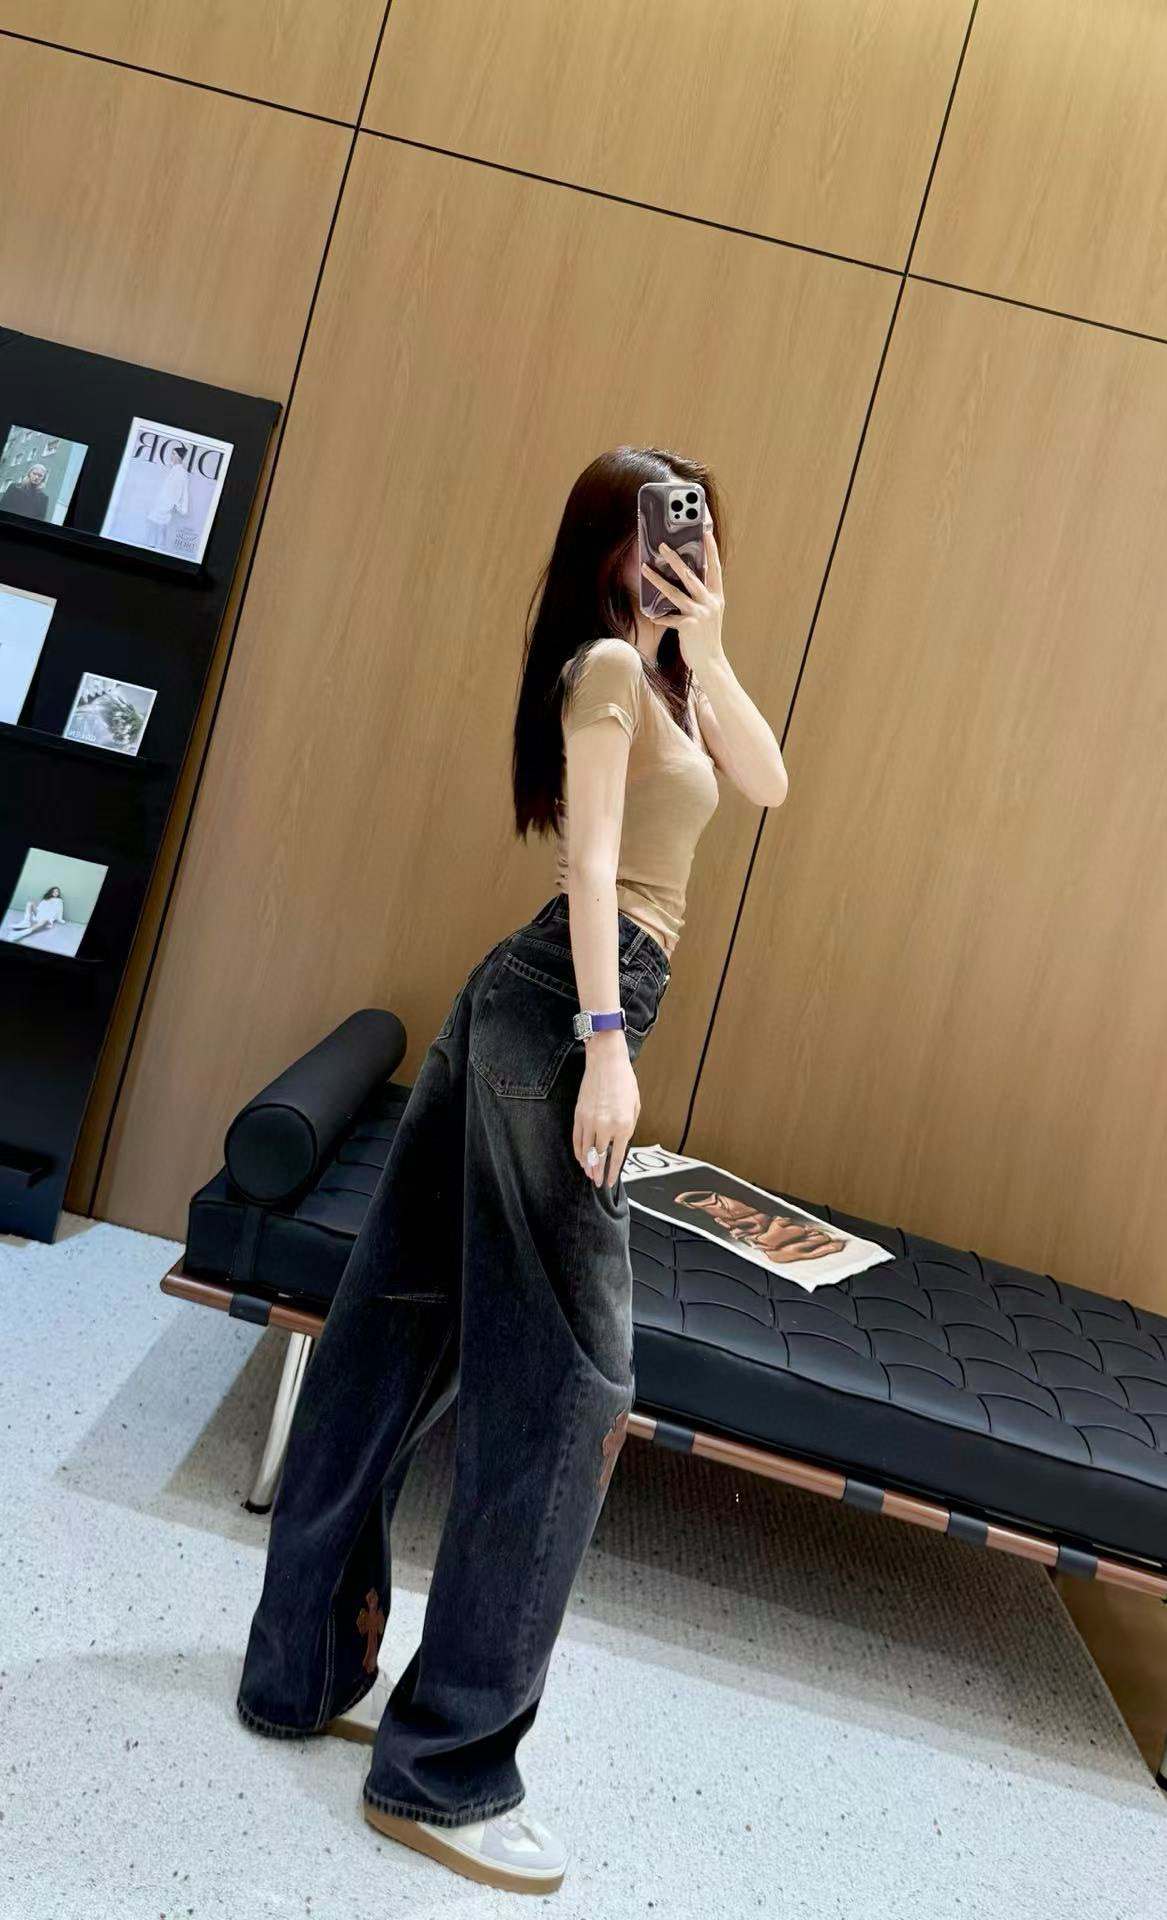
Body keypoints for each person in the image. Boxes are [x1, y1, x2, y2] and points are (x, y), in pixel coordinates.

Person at [235, 445, 788, 1895]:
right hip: (562, 1011)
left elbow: (771, 781)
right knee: (565, 1395)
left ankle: (300, 1670)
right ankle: (445, 1773)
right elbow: (591, 868)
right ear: (607, 548)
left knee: (393, 1327)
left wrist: (713, 644)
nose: (683, 553)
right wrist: (607, 1048)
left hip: (528, 1012)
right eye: (660, 534)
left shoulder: (672, 678)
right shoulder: (604, 671)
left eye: (700, 533)